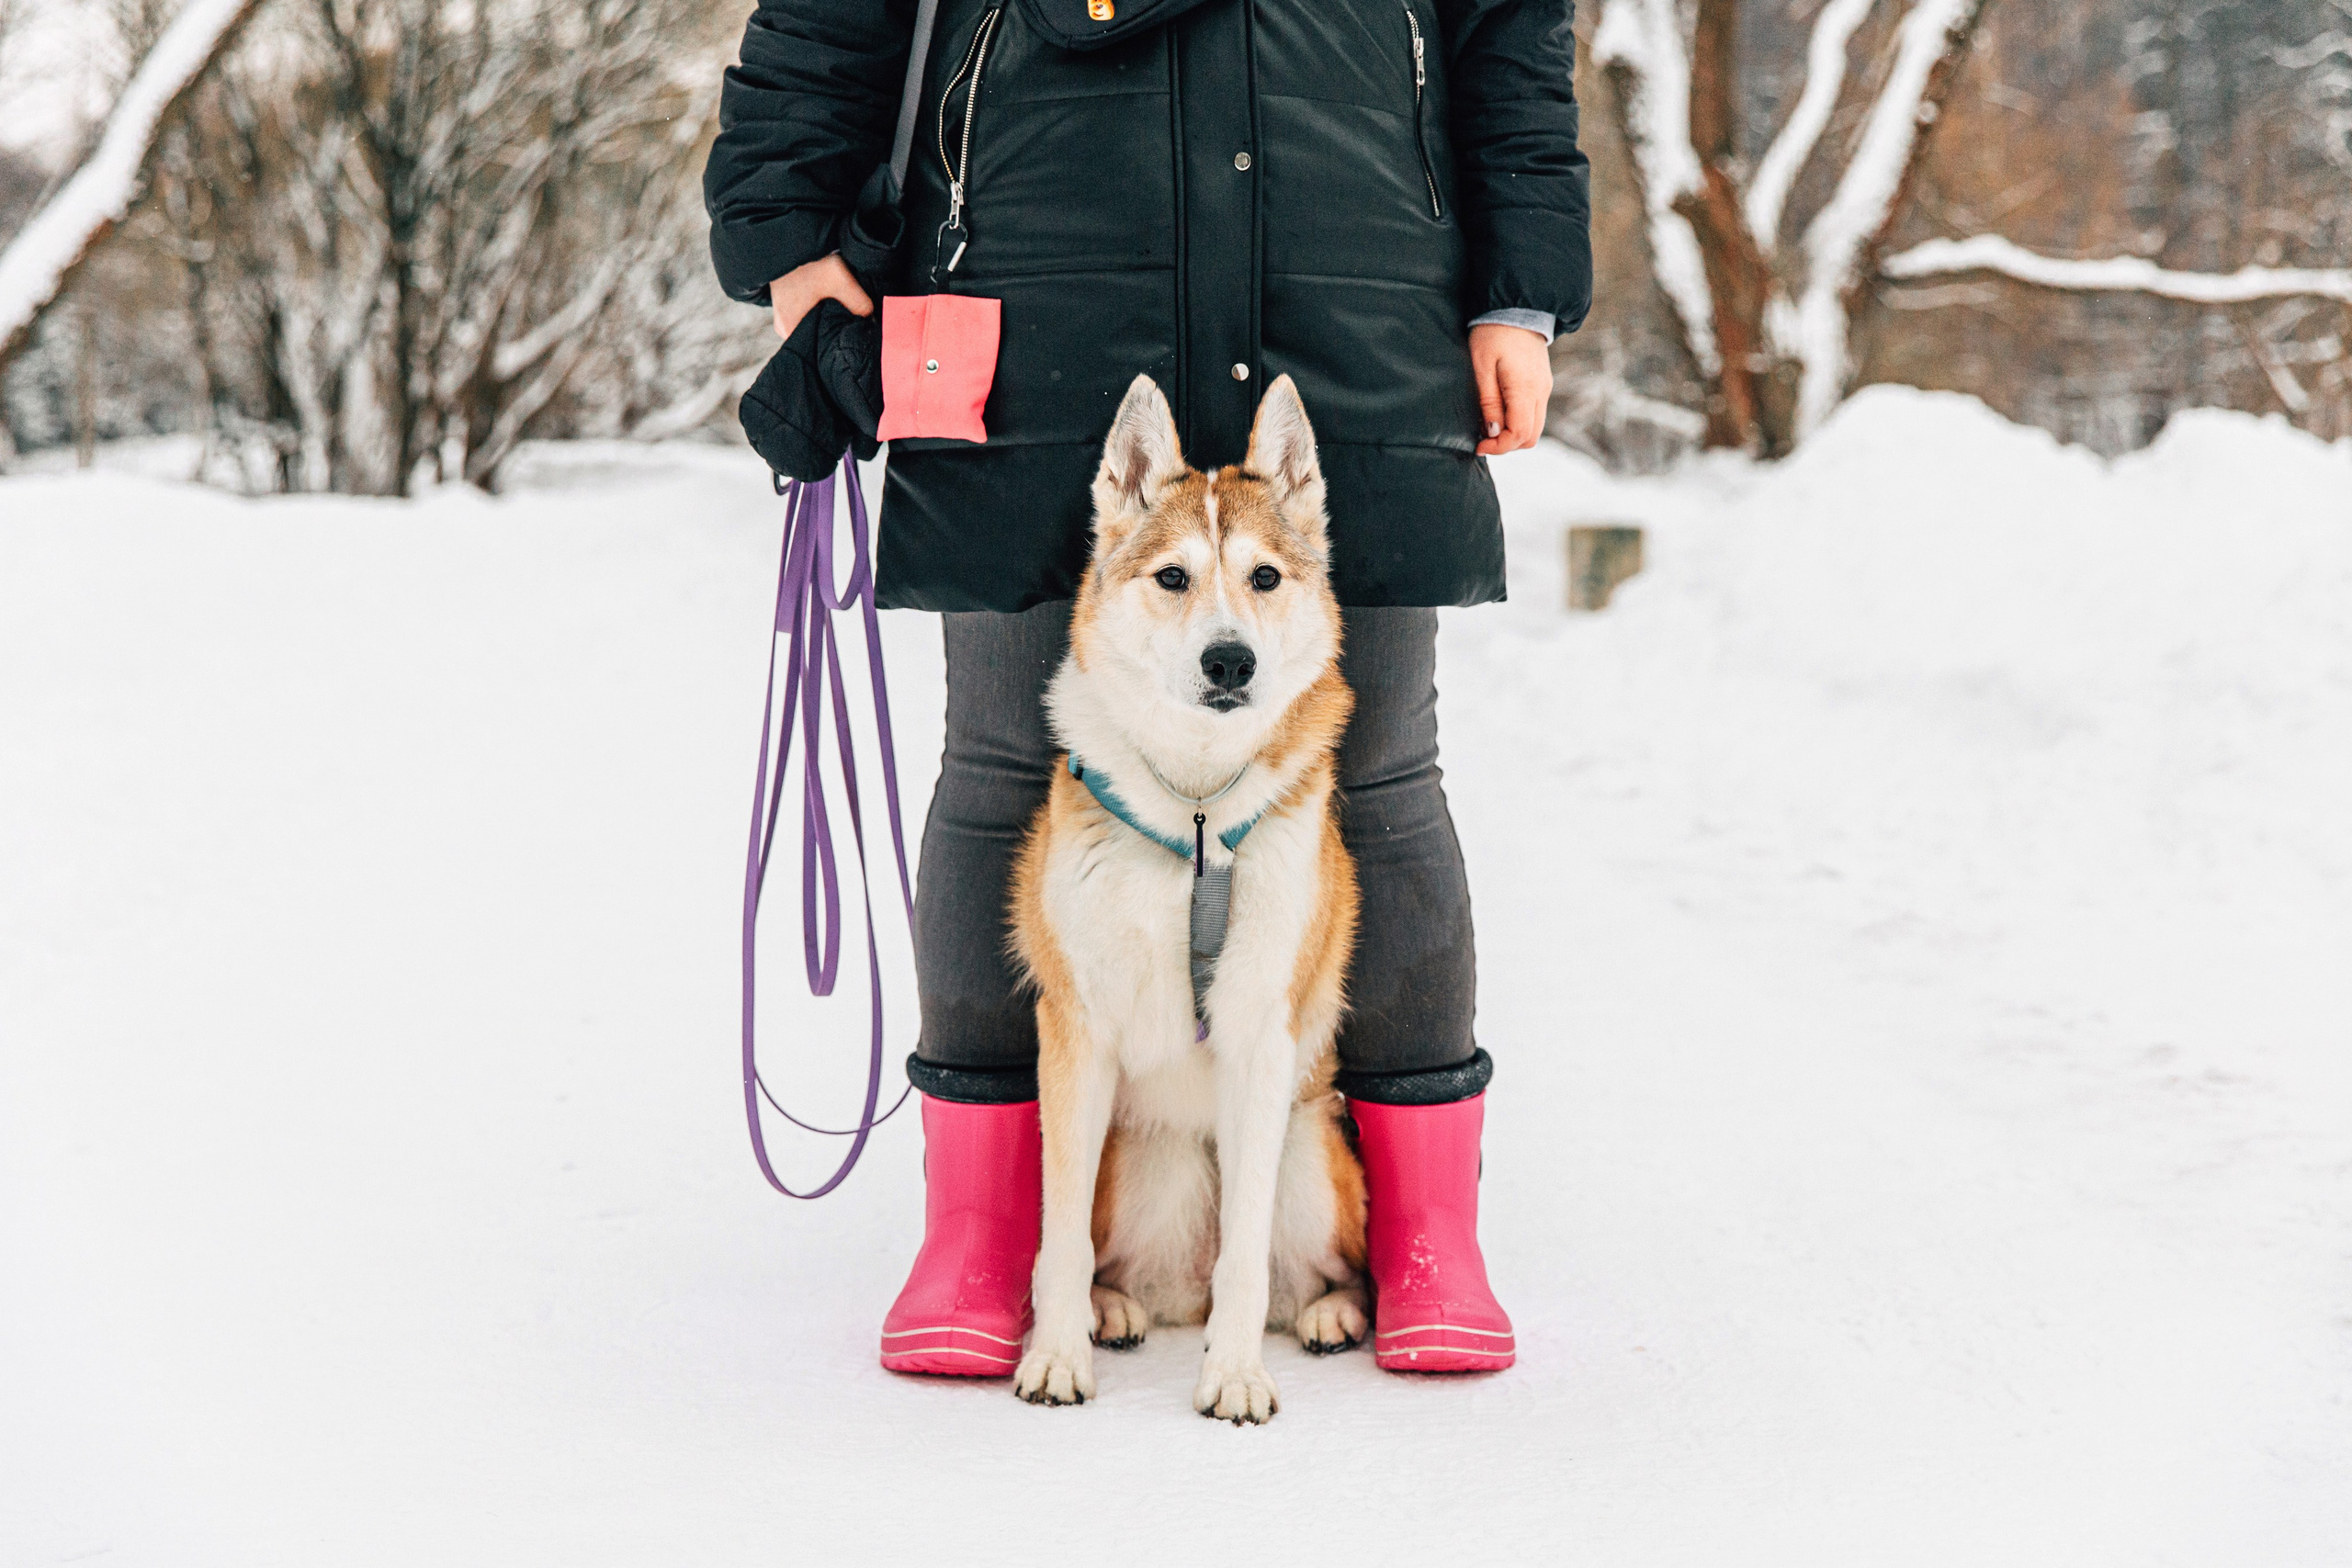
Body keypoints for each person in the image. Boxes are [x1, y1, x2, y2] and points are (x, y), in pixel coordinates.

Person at [706, 0, 1591, 1376]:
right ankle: (986, 1232)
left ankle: (1425, 1231)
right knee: (1008, 767)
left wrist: (1521, 288)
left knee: (1379, 776)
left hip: (1356, 281)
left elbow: (1508, 28)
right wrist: (794, 245)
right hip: (1026, 272)